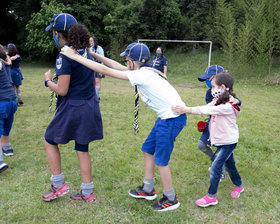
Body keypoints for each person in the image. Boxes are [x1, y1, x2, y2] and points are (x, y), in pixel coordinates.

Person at [60, 42, 187, 212]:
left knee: (161, 161)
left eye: (127, 59)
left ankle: (171, 198)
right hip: (166, 119)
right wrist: (93, 54)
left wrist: (73, 56)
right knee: (148, 149)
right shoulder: (143, 71)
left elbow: (105, 71)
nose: (126, 62)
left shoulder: (142, 75)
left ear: (133, 61)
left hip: (172, 119)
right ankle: (148, 189)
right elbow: (116, 66)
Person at [42, 14, 103, 203]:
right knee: (82, 147)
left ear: (57, 33)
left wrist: (47, 81)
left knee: (49, 140)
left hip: (73, 106)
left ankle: (59, 185)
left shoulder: (65, 55)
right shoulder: (85, 51)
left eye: (53, 32)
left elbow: (62, 90)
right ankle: (87, 192)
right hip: (89, 104)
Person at [172, 71, 244, 208]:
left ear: (222, 88)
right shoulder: (218, 101)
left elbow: (206, 111)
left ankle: (211, 197)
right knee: (230, 165)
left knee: (216, 167)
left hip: (229, 142)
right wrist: (187, 109)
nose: (212, 90)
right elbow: (205, 107)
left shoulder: (227, 106)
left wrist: (186, 110)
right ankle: (239, 186)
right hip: (223, 140)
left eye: (214, 87)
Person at [197, 65, 242, 181]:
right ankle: (215, 160)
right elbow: (210, 108)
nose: (207, 81)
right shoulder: (209, 93)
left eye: (209, 78)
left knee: (222, 148)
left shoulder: (226, 91)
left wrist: (238, 101)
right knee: (201, 145)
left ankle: (220, 169)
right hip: (212, 123)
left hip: (222, 127)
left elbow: (235, 101)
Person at [0, 45, 18, 172]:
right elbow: (9, 61)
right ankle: (7, 148)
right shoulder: (4, 62)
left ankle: (0, 161)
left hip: (2, 101)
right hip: (12, 99)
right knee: (7, 125)